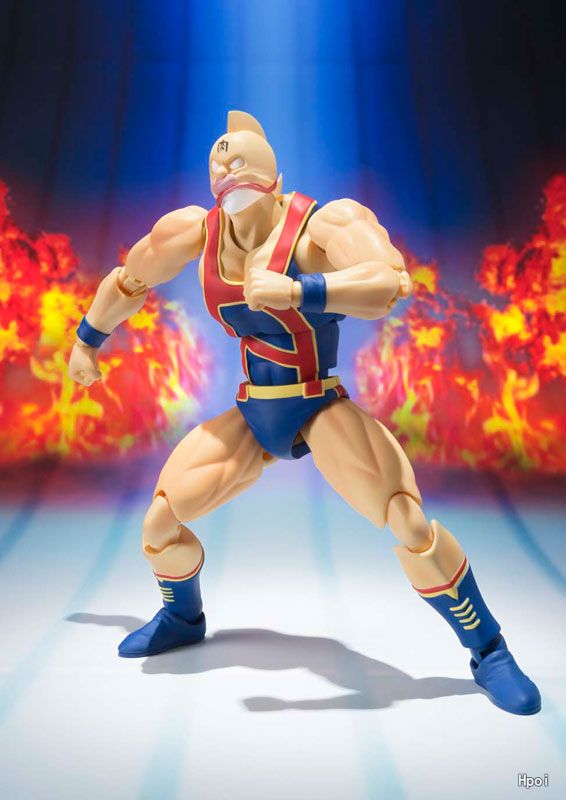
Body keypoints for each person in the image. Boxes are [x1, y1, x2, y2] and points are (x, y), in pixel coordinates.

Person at [68, 111, 540, 715]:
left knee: (407, 522)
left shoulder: (323, 225)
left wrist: (301, 291)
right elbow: (129, 280)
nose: (227, 167)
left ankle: (490, 649)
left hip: (318, 405)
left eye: (240, 158)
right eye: (219, 159)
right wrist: (87, 342)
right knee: (160, 523)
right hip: (254, 412)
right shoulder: (196, 231)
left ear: (274, 175)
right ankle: (182, 619)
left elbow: (391, 283)